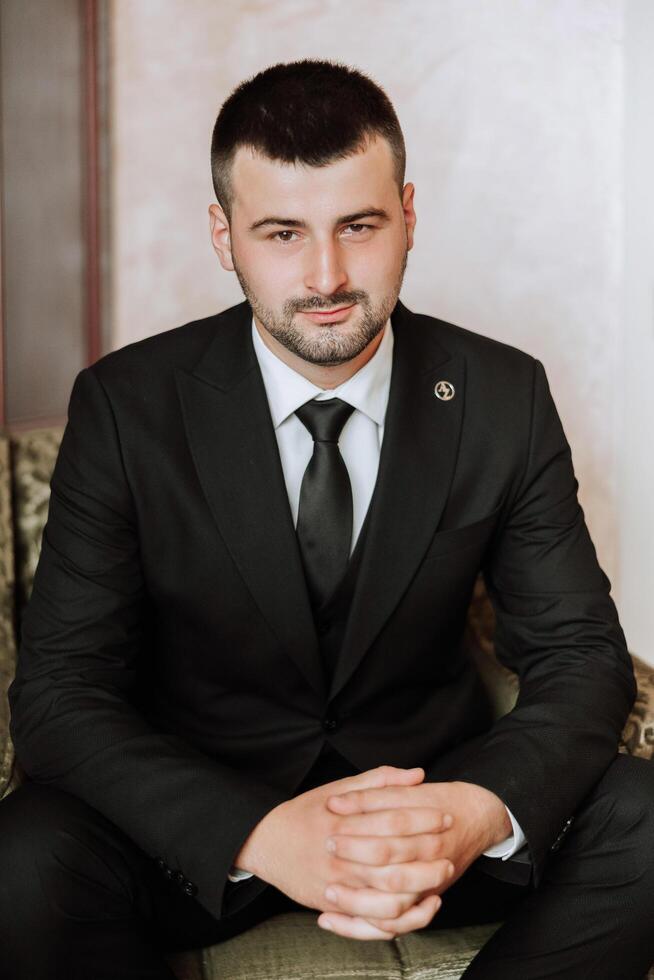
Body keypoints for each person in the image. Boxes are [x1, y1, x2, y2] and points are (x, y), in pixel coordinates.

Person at [1, 58, 652, 980]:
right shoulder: (126, 406)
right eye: (281, 232)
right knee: (23, 860)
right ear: (223, 236)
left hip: (428, 815)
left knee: (649, 823)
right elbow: (61, 695)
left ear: (409, 216)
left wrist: (473, 812)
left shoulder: (503, 394)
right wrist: (261, 833)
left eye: (359, 225)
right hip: (205, 832)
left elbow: (580, 655)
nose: (327, 275)